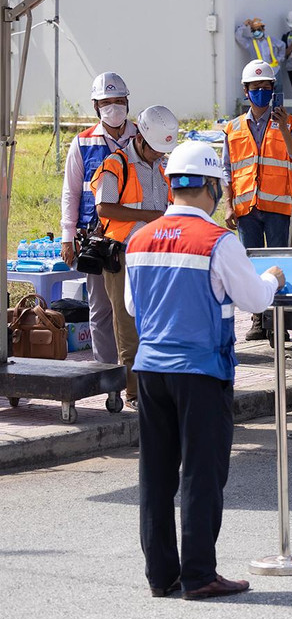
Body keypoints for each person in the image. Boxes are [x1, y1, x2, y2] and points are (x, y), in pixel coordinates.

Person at [125, 140, 284, 601]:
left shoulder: (139, 239)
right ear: (213, 186)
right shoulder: (220, 240)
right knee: (201, 473)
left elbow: (136, 307)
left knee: (155, 475)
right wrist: (271, 278)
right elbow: (254, 299)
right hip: (201, 370)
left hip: (151, 370)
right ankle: (199, 575)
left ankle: (162, 576)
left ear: (172, 185)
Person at [91, 105, 178, 405]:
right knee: (127, 325)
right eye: (155, 149)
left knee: (155, 323)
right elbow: (104, 207)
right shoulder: (115, 164)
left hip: (156, 254)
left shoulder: (162, 167)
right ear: (139, 138)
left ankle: (154, 387)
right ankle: (134, 392)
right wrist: (148, 216)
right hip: (124, 255)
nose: (159, 155)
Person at [60, 72, 135, 365]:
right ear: (95, 106)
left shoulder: (141, 137)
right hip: (96, 239)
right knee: (101, 308)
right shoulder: (82, 143)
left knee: (133, 306)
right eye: (107, 102)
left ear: (127, 102)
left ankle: (134, 371)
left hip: (135, 235)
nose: (113, 107)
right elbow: (71, 192)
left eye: (118, 101)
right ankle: (107, 373)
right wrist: (68, 237)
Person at [222, 60, 292, 344]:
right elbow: (228, 170)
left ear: (273, 90)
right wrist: (228, 206)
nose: (261, 92)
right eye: (256, 88)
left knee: (277, 265)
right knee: (251, 266)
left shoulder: (288, 122)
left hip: (278, 207)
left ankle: (278, 322)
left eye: (266, 87)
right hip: (246, 207)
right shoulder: (233, 128)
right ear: (246, 90)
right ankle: (257, 320)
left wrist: (283, 127)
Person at [234, 18, 283, 90]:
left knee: (278, 94)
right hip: (260, 74)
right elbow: (238, 37)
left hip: (275, 71)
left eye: (258, 29)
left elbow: (282, 45)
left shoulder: (271, 40)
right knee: (263, 93)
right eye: (254, 30)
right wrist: (244, 25)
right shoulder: (250, 43)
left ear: (263, 29)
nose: (256, 32)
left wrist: (279, 58)